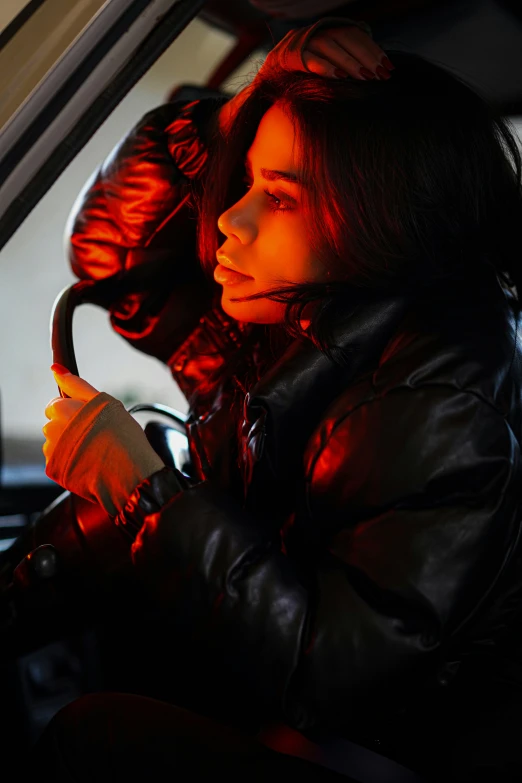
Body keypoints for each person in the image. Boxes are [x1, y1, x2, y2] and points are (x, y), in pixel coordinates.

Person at [35, 15, 522, 783]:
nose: (230, 217)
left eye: (279, 197)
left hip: (377, 752)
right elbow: (110, 248)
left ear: (377, 218)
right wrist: (241, 105)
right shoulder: (291, 325)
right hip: (296, 715)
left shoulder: (445, 396)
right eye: (246, 179)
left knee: (93, 737)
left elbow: (335, 677)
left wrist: (149, 492)